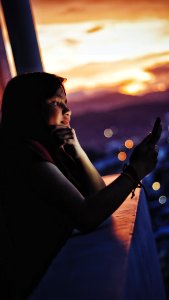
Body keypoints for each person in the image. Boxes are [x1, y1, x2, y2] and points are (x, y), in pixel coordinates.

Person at [0, 72, 162, 300]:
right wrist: (135, 172)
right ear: (29, 109)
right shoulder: (25, 156)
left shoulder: (49, 150)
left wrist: (77, 150)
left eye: (66, 102)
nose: (67, 111)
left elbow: (96, 193)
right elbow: (87, 216)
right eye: (56, 103)